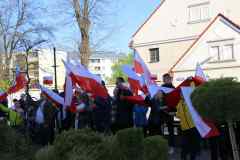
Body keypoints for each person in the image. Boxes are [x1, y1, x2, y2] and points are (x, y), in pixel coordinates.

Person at [161, 73, 176, 154]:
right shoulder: (161, 87)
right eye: (163, 79)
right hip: (162, 112)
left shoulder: (173, 88)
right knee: (161, 130)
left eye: (165, 79)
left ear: (169, 79)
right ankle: (161, 146)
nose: (164, 80)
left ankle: (171, 147)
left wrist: (174, 111)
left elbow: (175, 101)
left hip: (170, 113)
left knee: (171, 131)